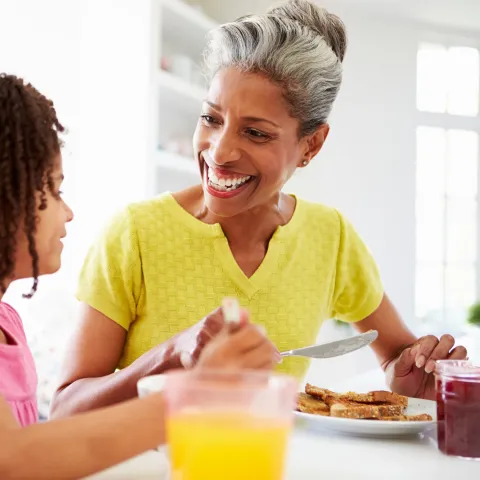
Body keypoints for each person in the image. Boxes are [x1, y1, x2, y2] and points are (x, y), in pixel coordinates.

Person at [51, 0, 467, 419]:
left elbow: (397, 357)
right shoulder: (135, 234)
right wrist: (172, 355)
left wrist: (409, 379)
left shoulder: (330, 236)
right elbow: (66, 409)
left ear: (311, 145)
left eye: (255, 132)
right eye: (210, 118)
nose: (220, 151)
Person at [0, 73, 277, 479]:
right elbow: (14, 458)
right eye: (54, 189)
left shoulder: (8, 323)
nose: (68, 211)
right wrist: (198, 390)